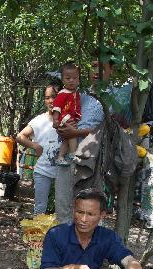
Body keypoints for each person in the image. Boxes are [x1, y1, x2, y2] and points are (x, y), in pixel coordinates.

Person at [53, 64, 106, 223]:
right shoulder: (78, 94)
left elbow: (109, 130)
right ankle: (64, 243)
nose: (96, 71)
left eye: (102, 67)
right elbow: (60, 117)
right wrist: (62, 128)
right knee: (63, 205)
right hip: (67, 156)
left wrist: (76, 133)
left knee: (88, 208)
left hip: (90, 160)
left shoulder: (114, 96)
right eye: (94, 66)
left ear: (112, 69)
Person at [16, 84, 61, 214]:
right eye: (47, 98)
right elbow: (20, 136)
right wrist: (35, 145)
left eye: (54, 97)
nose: (51, 101)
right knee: (40, 208)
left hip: (63, 171)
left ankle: (59, 234)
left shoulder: (68, 119)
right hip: (42, 170)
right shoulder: (39, 120)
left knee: (62, 208)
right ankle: (38, 234)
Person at [52, 63, 83, 165]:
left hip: (71, 119)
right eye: (68, 78)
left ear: (78, 79)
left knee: (67, 139)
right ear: (63, 80)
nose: (71, 80)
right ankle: (73, 154)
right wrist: (55, 119)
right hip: (65, 119)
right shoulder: (63, 93)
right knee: (72, 135)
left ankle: (60, 157)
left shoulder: (76, 93)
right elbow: (57, 107)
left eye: (74, 78)